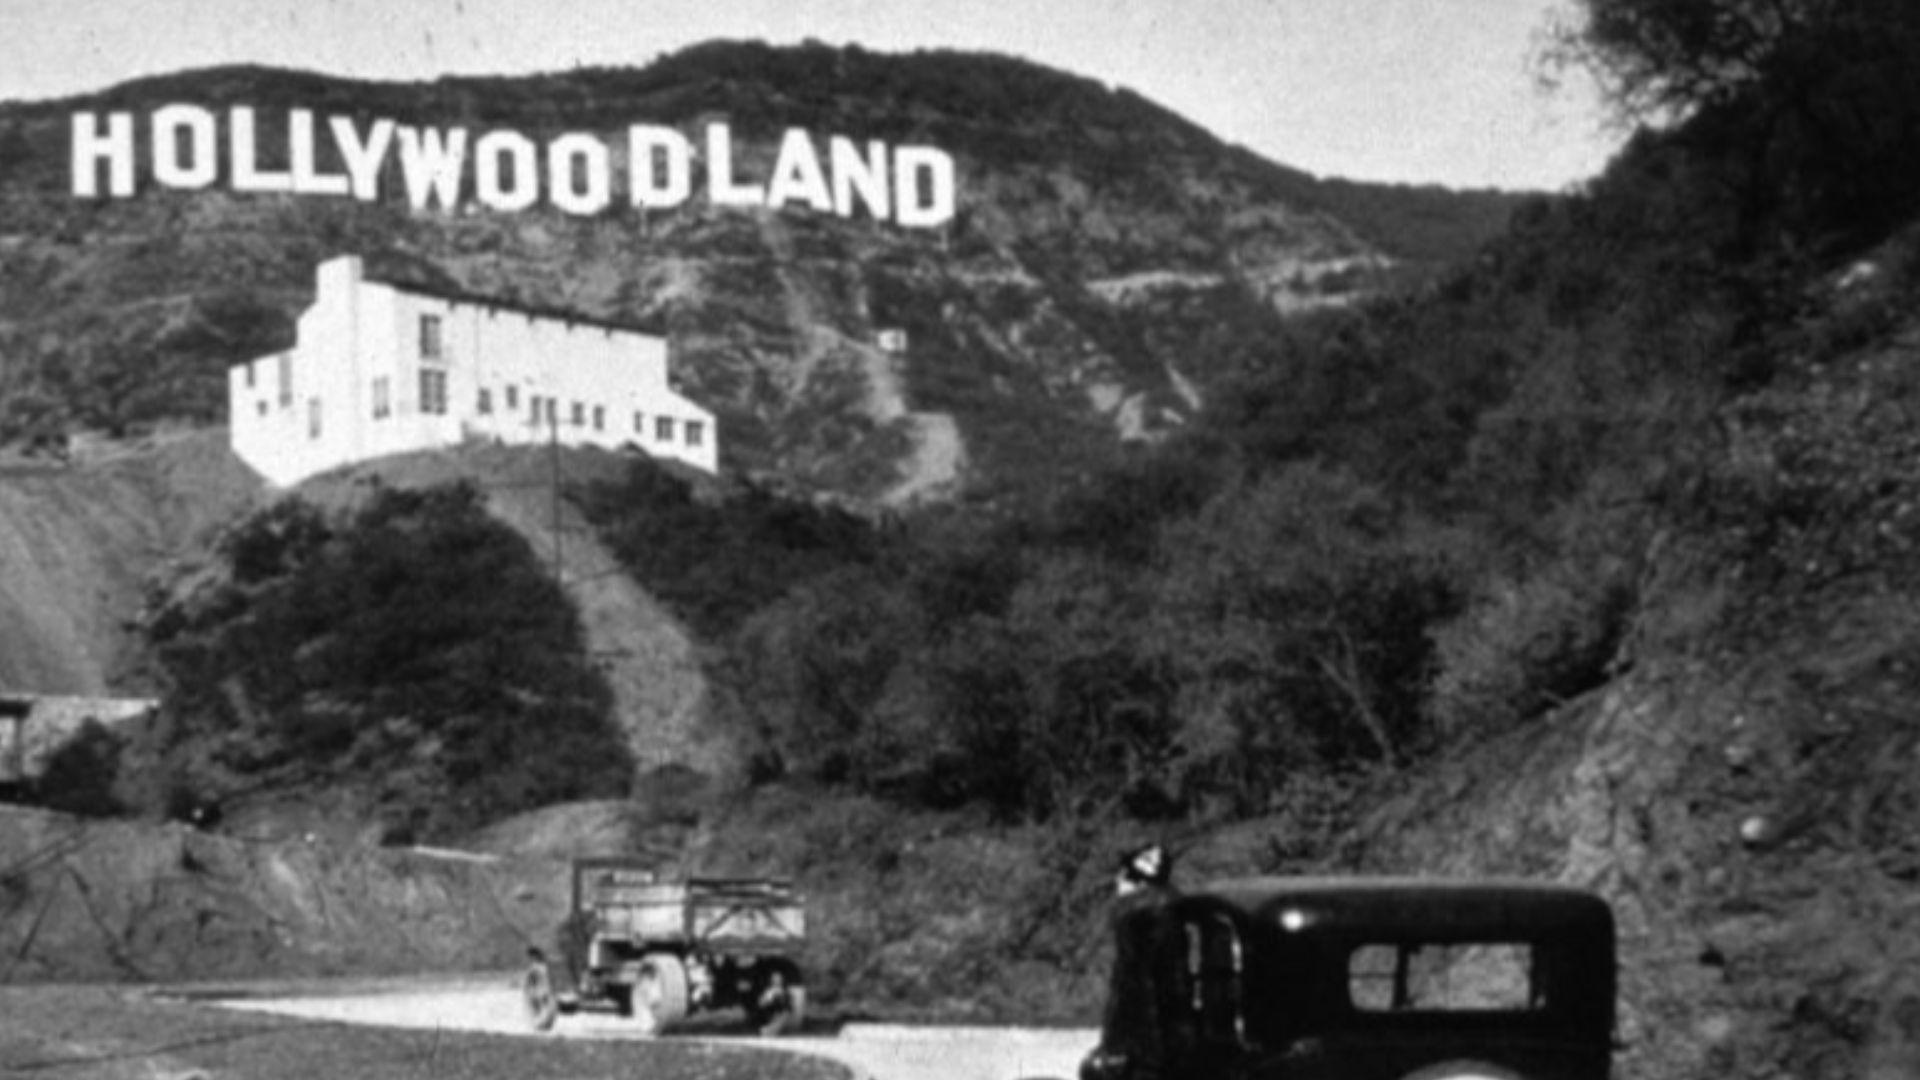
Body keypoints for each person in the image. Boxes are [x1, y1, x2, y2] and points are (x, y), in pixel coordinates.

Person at [1082, 844, 1179, 1080]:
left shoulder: (1136, 918)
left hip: (1145, 1051)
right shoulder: (1183, 911)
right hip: (1180, 1045)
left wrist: (1115, 1049)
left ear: (1131, 880)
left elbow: (1134, 993)